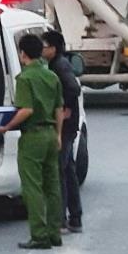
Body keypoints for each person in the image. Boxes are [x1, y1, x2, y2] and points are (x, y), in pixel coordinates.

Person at [0, 33, 64, 250]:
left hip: (33, 136)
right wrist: (59, 135)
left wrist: (6, 127)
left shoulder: (25, 79)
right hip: (51, 133)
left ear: (23, 54)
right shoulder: (51, 76)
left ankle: (39, 235)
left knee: (32, 188)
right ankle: (55, 233)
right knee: (52, 186)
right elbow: (59, 110)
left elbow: (27, 110)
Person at [43, 30, 84, 233]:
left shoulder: (60, 65)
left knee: (59, 171)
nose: (42, 49)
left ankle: (60, 220)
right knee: (68, 171)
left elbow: (73, 89)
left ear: (53, 48)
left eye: (44, 46)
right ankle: (75, 218)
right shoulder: (57, 64)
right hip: (68, 126)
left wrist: (65, 109)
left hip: (65, 128)